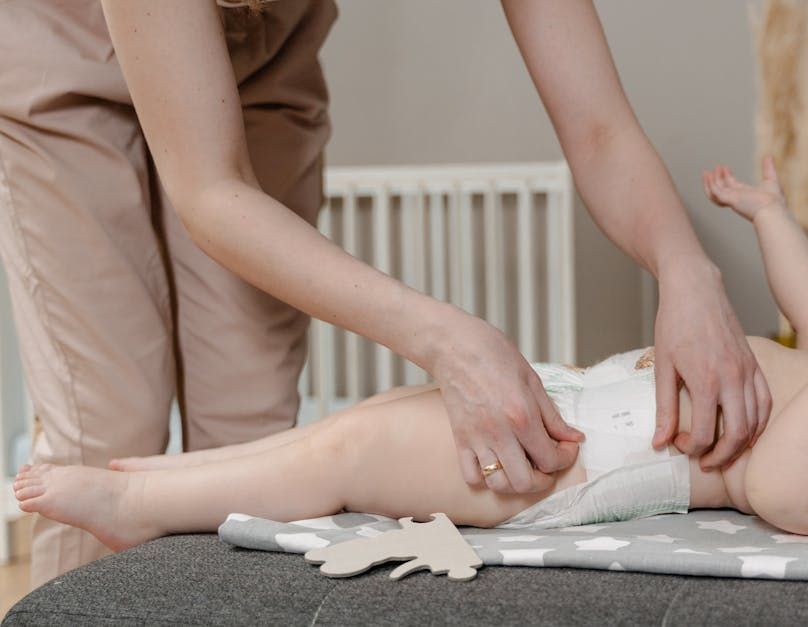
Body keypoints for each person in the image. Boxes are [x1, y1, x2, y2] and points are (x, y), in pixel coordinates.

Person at [0, 0, 767, 584]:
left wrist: (686, 269)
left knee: (250, 440)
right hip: (66, 57)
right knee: (108, 428)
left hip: (259, 53)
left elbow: (599, 128)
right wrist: (441, 338)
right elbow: (208, 190)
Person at [13, 158, 808, 548]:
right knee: (359, 424)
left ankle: (141, 504)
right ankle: (167, 474)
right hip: (578, 405)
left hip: (572, 466)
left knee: (348, 457)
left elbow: (789, 490)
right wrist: (771, 216)